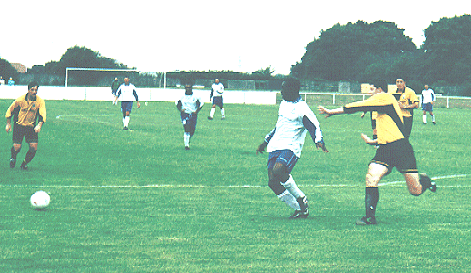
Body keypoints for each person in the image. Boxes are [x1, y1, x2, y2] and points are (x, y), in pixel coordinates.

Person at [318, 79, 436, 226]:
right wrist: (373, 141)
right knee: (371, 177)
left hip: (401, 149)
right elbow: (388, 128)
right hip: (385, 149)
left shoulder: (385, 98)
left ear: (379, 89)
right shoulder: (381, 104)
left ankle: (425, 181)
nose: (369, 92)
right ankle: (369, 217)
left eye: (372, 89)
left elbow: (358, 106)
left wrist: (332, 111)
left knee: (415, 191)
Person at [256, 78, 328, 219]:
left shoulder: (302, 108)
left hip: (291, 147)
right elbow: (279, 126)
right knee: (272, 182)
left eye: (284, 89)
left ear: (293, 90)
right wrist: (265, 141)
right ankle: (300, 208)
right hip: (276, 145)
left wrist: (318, 140)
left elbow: (313, 125)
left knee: (278, 169)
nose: (281, 91)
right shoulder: (283, 104)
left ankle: (301, 198)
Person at [5, 82, 46, 170]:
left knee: (33, 148)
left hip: (31, 127)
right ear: (28, 90)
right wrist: (8, 124)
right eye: (32, 89)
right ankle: (13, 157)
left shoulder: (40, 101)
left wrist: (39, 125)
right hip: (19, 126)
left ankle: (24, 164)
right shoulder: (20, 100)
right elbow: (10, 111)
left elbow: (42, 114)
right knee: (17, 147)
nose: (34, 92)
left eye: (36, 90)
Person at [176, 83, 204, 150]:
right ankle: (186, 145)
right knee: (186, 127)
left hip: (193, 114)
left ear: (191, 88)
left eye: (189, 87)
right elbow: (177, 103)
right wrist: (180, 110)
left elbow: (201, 103)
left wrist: (196, 111)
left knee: (192, 130)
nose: (188, 89)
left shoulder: (196, 96)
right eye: (186, 87)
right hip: (185, 114)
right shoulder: (182, 96)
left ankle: (187, 139)